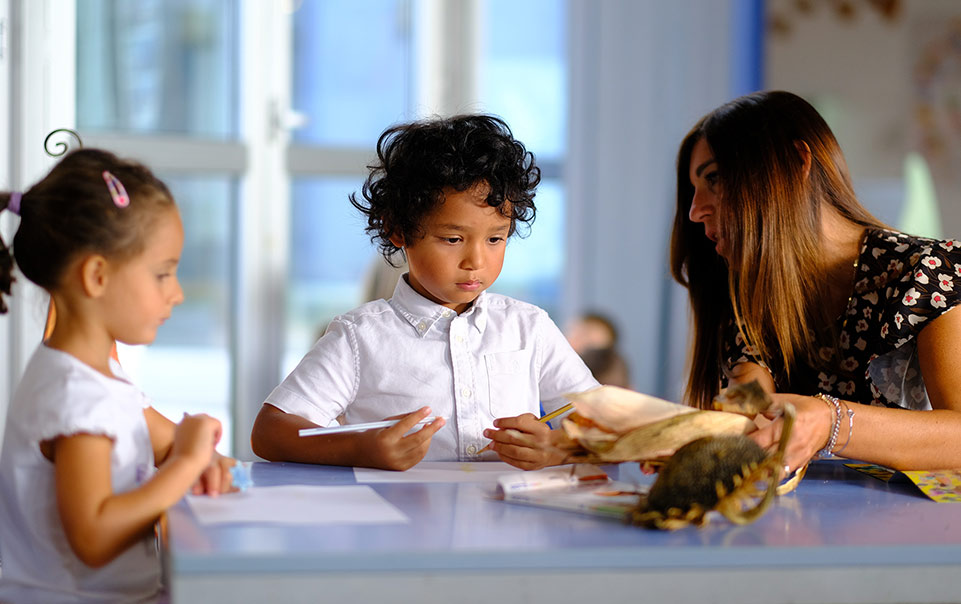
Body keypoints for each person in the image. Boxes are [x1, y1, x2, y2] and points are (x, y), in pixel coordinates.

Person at [250, 114, 599, 471]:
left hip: (513, 518)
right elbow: (270, 432)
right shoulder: (359, 337)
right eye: (453, 239)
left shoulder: (529, 327)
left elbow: (605, 420)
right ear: (397, 230)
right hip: (398, 521)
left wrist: (560, 448)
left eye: (495, 238)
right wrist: (359, 448)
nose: (475, 261)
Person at [672, 90, 961, 473]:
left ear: (795, 163)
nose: (695, 211)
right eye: (694, 190)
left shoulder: (929, 271)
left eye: (716, 178)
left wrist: (830, 421)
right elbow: (749, 409)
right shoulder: (749, 293)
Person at [0, 149, 236, 603]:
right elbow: (94, 536)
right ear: (97, 276)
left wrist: (201, 456)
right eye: (163, 274)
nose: (178, 293)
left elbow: (165, 438)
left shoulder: (94, 375)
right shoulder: (75, 397)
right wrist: (187, 464)